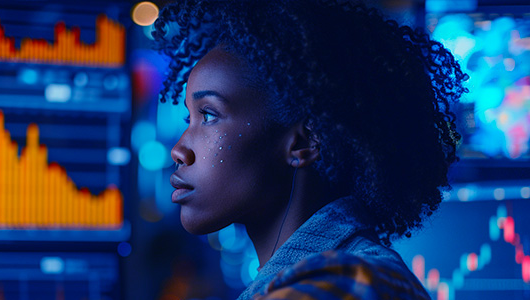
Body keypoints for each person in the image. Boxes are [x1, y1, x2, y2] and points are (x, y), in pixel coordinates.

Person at [155, 0, 468, 299]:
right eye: (189, 118)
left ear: (304, 143)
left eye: (208, 115)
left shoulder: (353, 281)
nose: (179, 150)